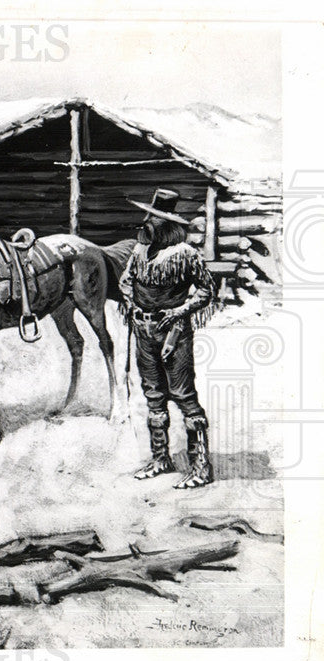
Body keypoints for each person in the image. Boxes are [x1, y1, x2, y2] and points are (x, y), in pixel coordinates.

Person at [119, 188, 216, 489]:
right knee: (153, 395)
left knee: (184, 395)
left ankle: (201, 466)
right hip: (143, 330)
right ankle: (161, 458)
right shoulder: (138, 252)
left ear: (168, 225)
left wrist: (179, 311)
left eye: (154, 219)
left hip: (173, 333)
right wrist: (132, 305)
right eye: (148, 216)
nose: (146, 222)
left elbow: (206, 290)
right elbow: (126, 281)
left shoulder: (187, 254)